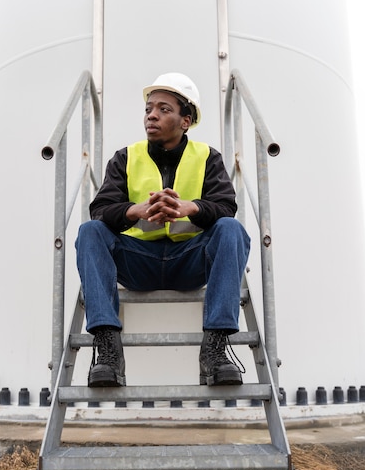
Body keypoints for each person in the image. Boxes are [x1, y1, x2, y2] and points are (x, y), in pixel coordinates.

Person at [75, 72, 250, 388]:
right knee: (90, 232)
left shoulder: (208, 157)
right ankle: (108, 352)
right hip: (138, 263)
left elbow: (226, 207)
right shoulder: (125, 158)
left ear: (185, 120)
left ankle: (215, 350)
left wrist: (189, 208)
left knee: (231, 229)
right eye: (148, 109)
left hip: (189, 262)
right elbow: (100, 210)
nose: (151, 115)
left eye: (163, 109)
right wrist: (137, 210)